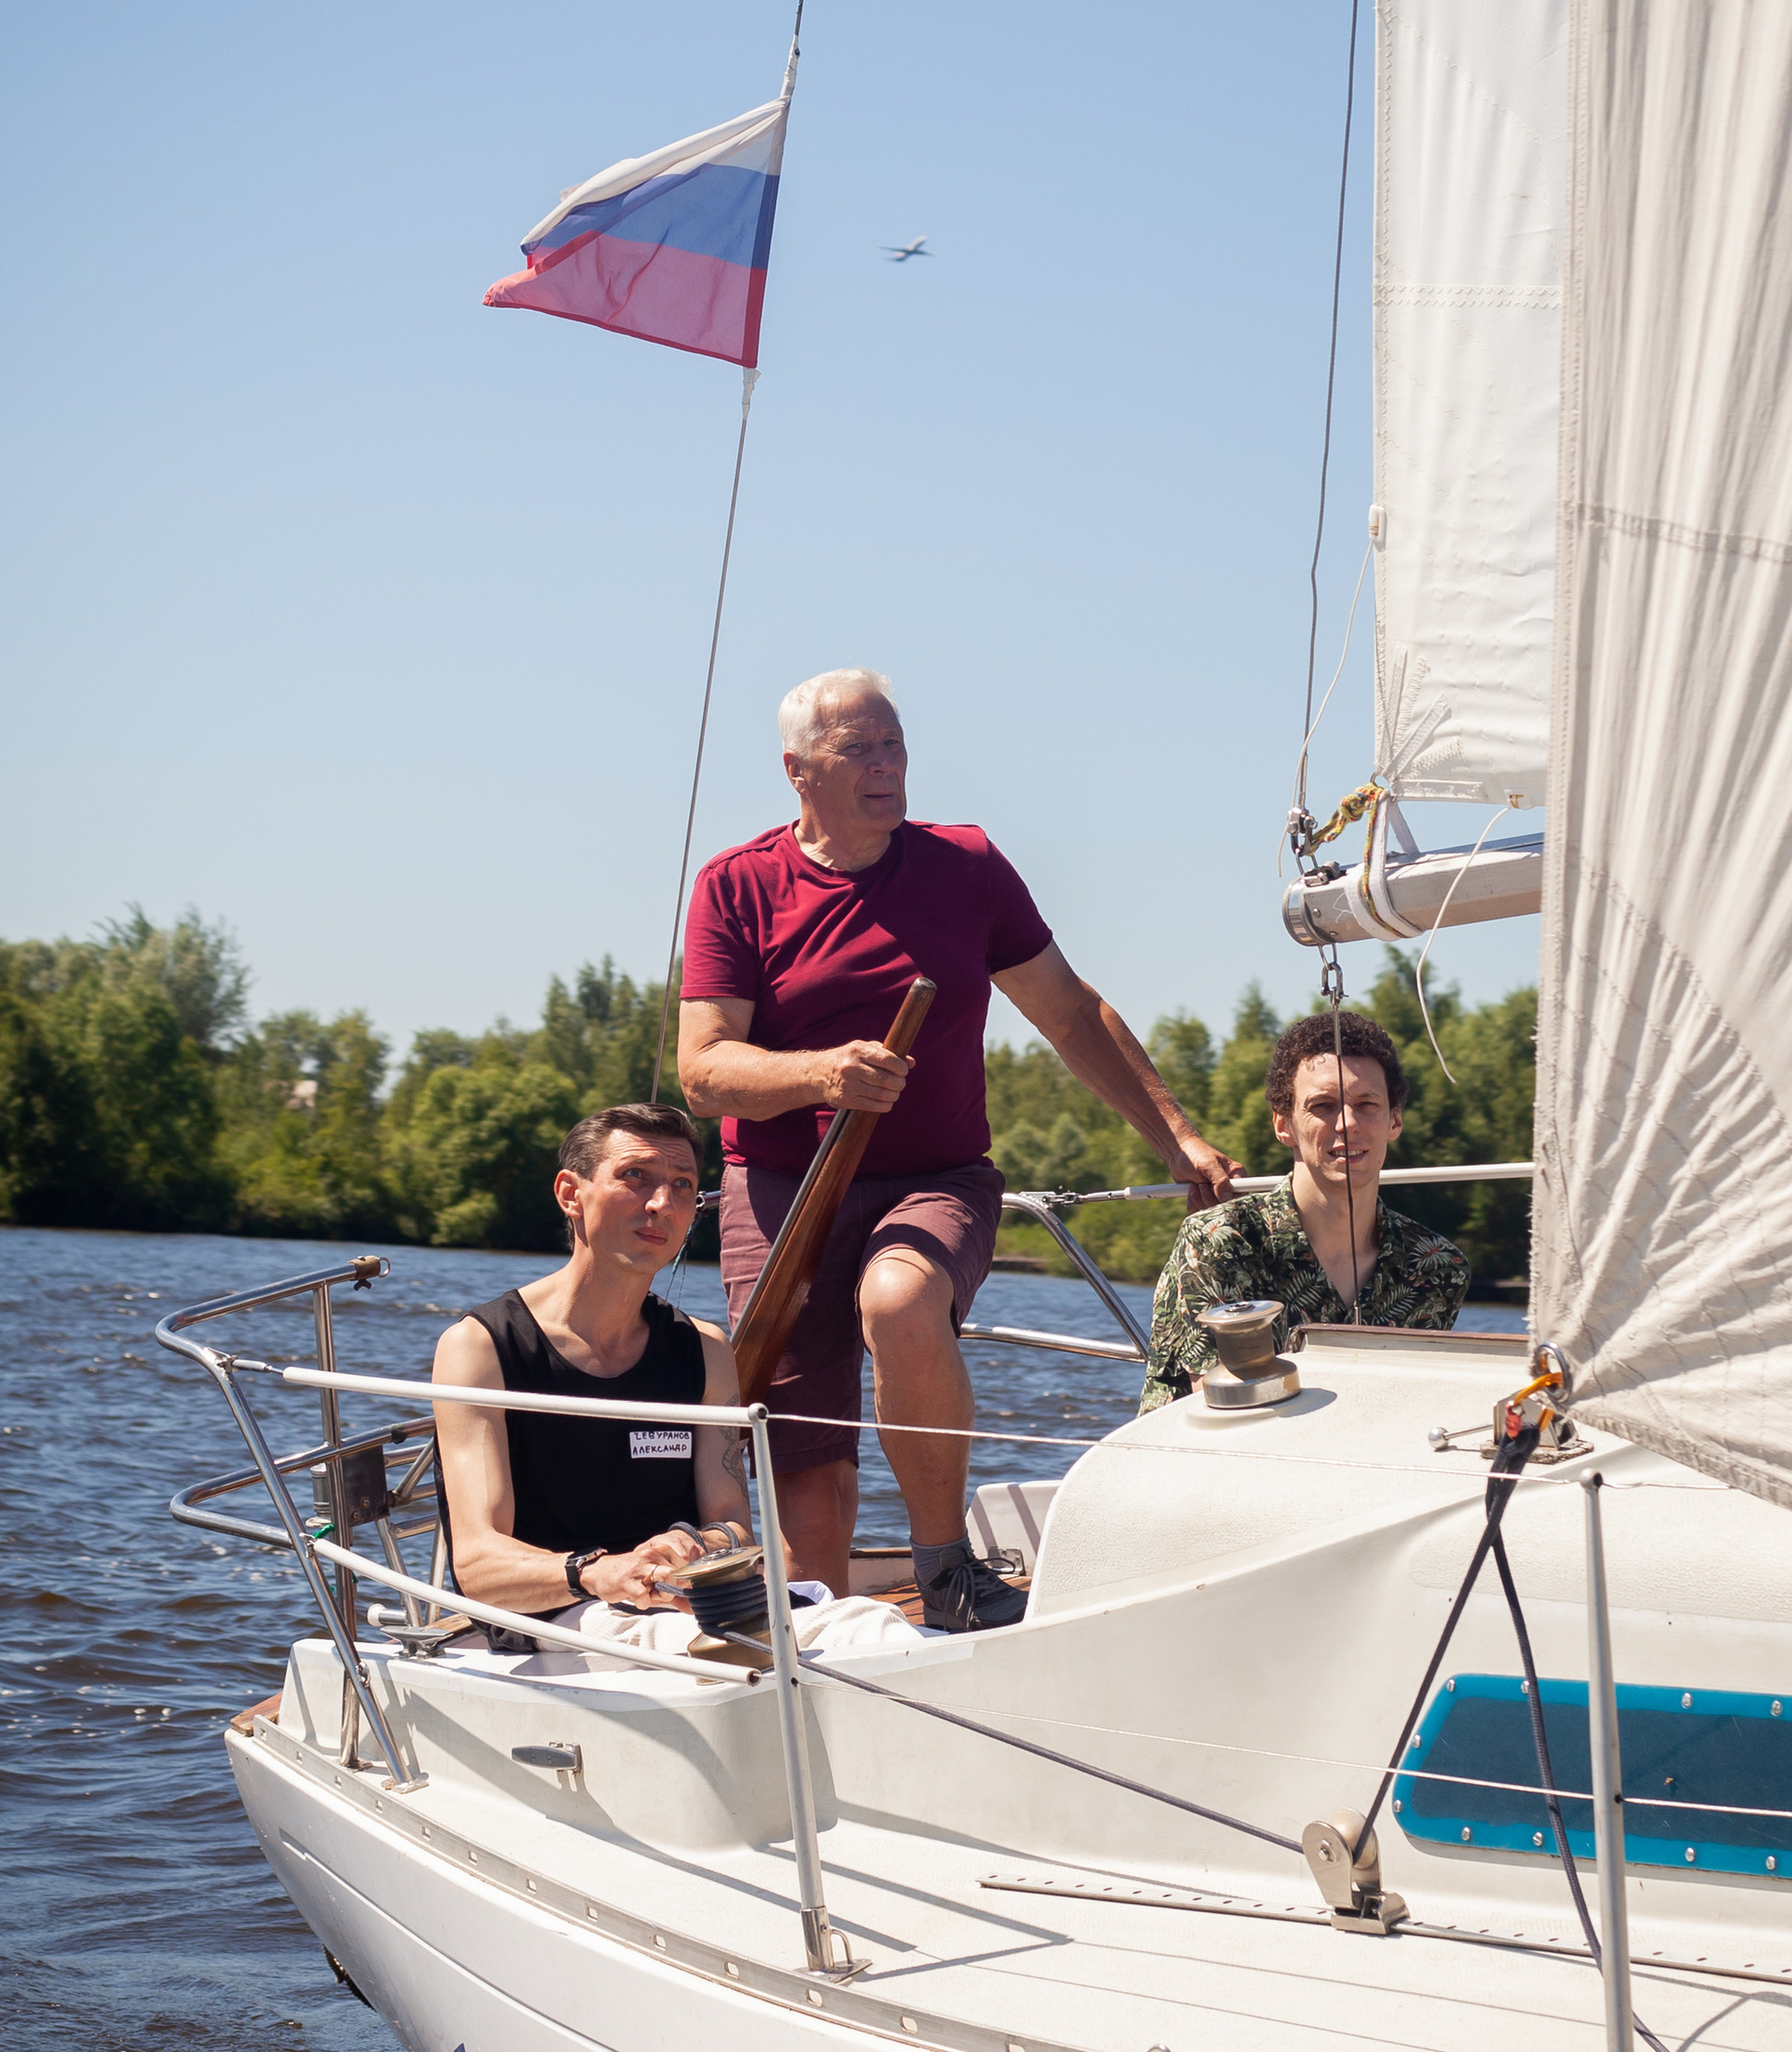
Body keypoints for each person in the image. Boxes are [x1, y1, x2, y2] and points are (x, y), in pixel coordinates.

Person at [674, 667, 1237, 1626]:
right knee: (812, 1476)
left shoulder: (966, 866)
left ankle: (944, 1576)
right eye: (860, 747)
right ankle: (818, 1649)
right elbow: (704, 1068)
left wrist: (1176, 1133)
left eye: (894, 743)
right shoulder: (738, 885)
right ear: (798, 770)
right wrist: (820, 1075)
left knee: (899, 1301)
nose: (888, 764)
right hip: (779, 1188)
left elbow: (1068, 1013)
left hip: (934, 1181)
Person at [432, 1104, 747, 1626]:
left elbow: (734, 1528)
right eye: (635, 1177)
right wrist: (596, 1573)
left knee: (873, 1627)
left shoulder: (706, 1351)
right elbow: (477, 1564)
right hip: (558, 1621)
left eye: (683, 1185)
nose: (662, 1204)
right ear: (569, 1194)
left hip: (681, 1614)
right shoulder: (482, 1347)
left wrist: (691, 1544)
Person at [1140, 1010, 1467, 1408]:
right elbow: (1224, 1411)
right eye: (1323, 1106)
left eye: (1367, 1104)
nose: (1347, 1123)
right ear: (1284, 1125)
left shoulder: (1436, 1266)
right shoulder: (1223, 1241)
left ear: (1394, 1121)